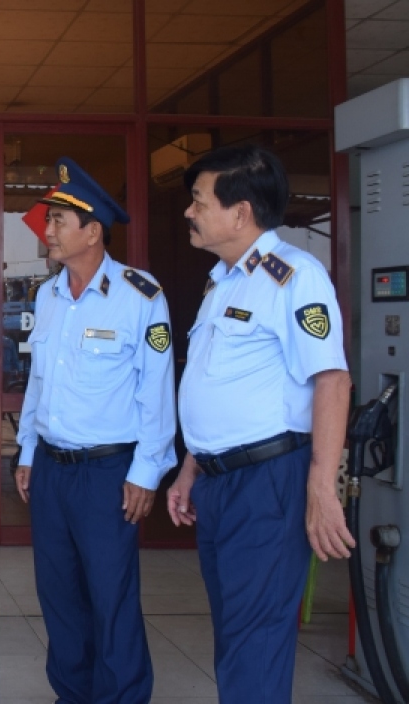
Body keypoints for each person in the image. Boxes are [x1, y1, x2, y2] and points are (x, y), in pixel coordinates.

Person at [166, 145, 353, 702]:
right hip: (221, 483)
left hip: (268, 483)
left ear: (240, 212)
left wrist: (322, 488)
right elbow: (221, 387)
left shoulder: (295, 277)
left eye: (199, 201)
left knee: (256, 640)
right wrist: (190, 468)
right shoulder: (223, 281)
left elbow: (332, 382)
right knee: (235, 634)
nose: (189, 212)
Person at [15, 157, 176, 703]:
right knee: (59, 596)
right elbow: (40, 382)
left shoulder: (141, 296)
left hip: (109, 473)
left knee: (111, 598)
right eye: (48, 219)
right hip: (53, 473)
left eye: (59, 220)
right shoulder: (48, 295)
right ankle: (73, 695)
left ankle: (122, 697)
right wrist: (27, 452)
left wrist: (147, 473)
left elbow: (156, 393)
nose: (48, 230)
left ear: (93, 231)